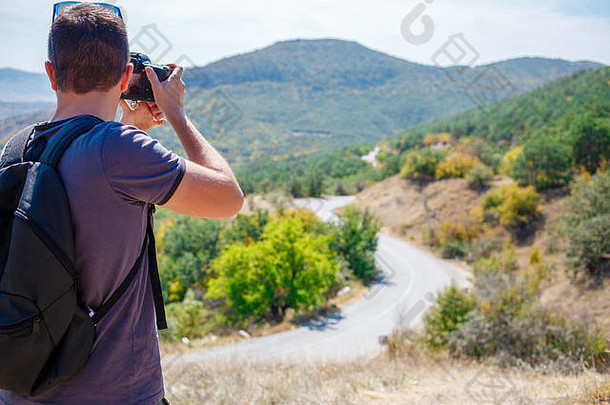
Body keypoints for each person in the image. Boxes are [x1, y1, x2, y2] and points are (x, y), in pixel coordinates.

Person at [0, 3, 243, 405]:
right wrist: (177, 114)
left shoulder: (17, 149)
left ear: (51, 73)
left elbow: (88, 188)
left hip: (18, 391)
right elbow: (228, 198)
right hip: (113, 394)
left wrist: (133, 130)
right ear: (126, 76)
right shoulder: (118, 151)